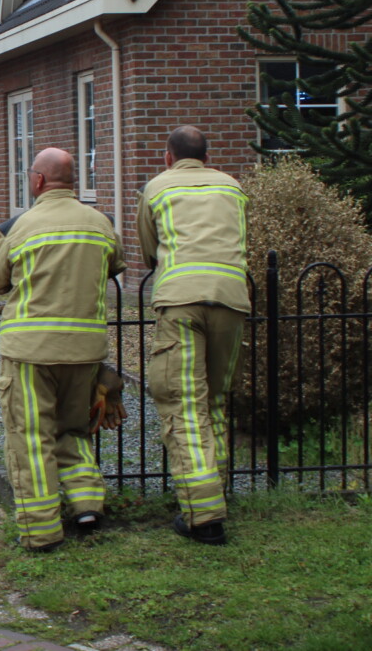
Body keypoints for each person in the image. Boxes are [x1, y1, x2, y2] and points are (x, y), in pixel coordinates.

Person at [0, 148, 126, 552]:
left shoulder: (20, 226)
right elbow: (116, 265)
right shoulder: (101, 224)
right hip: (85, 350)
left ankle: (41, 530)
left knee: (31, 436)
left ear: (39, 180)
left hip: (29, 351)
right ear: (72, 180)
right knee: (74, 428)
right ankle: (87, 506)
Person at [137, 126, 249, 546]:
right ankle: (216, 492)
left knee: (184, 404)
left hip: (181, 299)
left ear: (168, 157)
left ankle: (204, 516)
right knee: (215, 400)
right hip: (231, 298)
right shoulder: (232, 187)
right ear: (207, 156)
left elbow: (149, 249)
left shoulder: (157, 188)